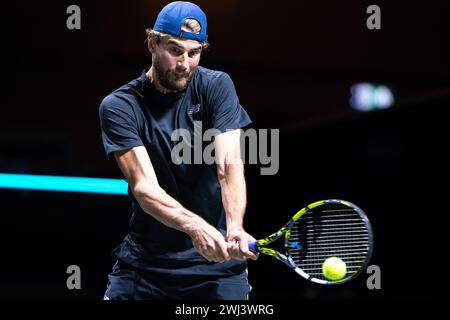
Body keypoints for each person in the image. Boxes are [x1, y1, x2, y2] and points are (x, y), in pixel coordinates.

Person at [99, 1, 258, 300]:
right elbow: (145, 188)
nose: (184, 62)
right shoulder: (120, 106)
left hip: (217, 266)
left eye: (194, 52)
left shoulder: (217, 86)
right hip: (146, 266)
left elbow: (229, 164)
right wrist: (195, 225)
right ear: (152, 43)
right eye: (174, 50)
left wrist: (235, 227)